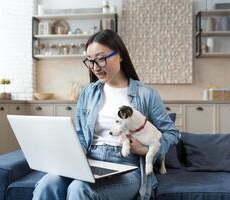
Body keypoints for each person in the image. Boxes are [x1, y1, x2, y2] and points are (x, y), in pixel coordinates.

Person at [32, 29, 180, 200]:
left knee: (81, 189)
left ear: (121, 55)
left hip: (128, 165)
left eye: (101, 59)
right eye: (90, 61)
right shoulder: (88, 93)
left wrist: (145, 149)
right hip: (89, 161)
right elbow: (81, 134)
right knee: (47, 184)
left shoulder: (146, 94)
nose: (95, 67)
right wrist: (68, 157)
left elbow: (172, 133)